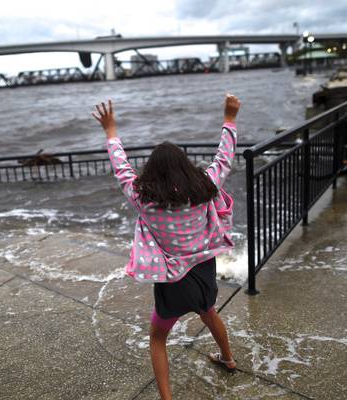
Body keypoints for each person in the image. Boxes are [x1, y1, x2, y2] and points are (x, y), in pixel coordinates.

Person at [92, 94, 241, 400]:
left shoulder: (144, 198)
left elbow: (122, 169)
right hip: (203, 270)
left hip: (171, 280)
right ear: (185, 168)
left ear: (152, 172)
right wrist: (229, 118)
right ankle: (228, 358)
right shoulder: (204, 187)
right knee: (209, 313)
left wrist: (110, 132)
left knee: (158, 339)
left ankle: (167, 398)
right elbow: (224, 159)